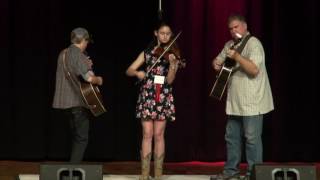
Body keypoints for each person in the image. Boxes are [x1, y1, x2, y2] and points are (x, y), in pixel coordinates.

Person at [211, 14, 274, 179]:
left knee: (252, 139)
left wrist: (237, 56)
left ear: (244, 26)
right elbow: (217, 62)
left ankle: (254, 175)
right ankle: (231, 172)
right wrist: (216, 64)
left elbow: (254, 70)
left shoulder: (254, 43)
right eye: (230, 28)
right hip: (234, 102)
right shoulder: (229, 45)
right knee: (231, 138)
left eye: (236, 27)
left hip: (253, 101)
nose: (233, 31)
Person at [126, 21, 182, 180]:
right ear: (156, 33)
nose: (165, 36)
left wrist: (172, 66)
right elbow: (129, 70)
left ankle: (158, 174)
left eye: (168, 34)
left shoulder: (173, 54)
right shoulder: (147, 53)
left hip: (163, 95)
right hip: (148, 95)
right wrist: (138, 73)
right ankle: (144, 174)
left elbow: (170, 81)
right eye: (162, 33)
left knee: (159, 134)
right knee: (147, 133)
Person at [52, 27, 103, 163]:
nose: (87, 44)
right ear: (83, 40)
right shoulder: (79, 54)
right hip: (76, 102)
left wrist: (87, 65)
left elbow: (74, 70)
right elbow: (89, 79)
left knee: (76, 136)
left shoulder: (63, 53)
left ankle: (71, 169)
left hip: (63, 103)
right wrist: (99, 79)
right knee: (82, 138)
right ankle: (72, 171)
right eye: (87, 41)